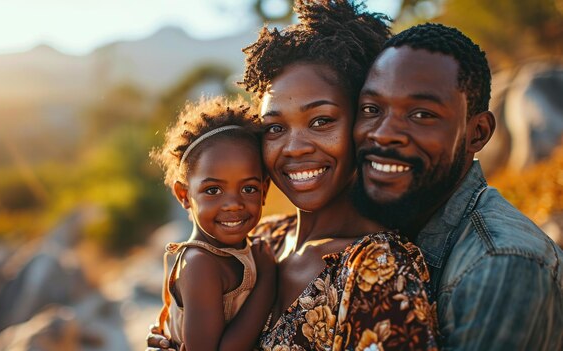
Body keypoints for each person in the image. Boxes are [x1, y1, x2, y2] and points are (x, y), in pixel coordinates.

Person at [149, 1, 438, 350]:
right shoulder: (260, 240)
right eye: (275, 127)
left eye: (321, 121)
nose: (294, 148)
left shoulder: (375, 270)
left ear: (362, 124)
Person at [352, 23, 563, 349]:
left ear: (477, 133)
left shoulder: (500, 268)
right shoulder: (392, 230)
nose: (382, 133)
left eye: (421, 114)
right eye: (371, 109)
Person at [149, 96, 276, 351]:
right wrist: (268, 281)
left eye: (249, 188)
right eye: (213, 190)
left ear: (264, 191)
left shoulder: (246, 249)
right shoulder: (200, 264)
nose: (233, 204)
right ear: (184, 195)